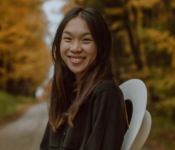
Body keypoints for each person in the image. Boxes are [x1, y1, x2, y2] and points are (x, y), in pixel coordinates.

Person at [40, 7, 128, 150]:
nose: (75, 48)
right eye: (68, 39)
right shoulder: (67, 91)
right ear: (58, 44)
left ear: (101, 46)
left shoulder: (105, 93)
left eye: (86, 40)